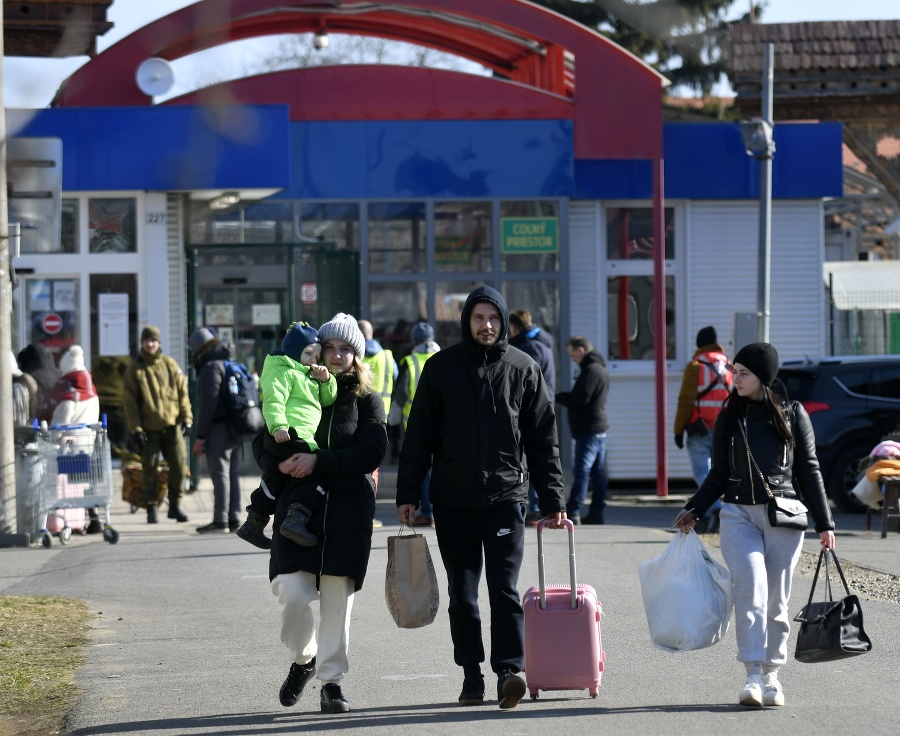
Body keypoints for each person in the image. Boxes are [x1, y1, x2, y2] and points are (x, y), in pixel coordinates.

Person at [396, 285, 566, 710]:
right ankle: (471, 673)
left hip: (506, 497)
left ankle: (509, 671)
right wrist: (408, 492)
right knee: (464, 595)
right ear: (466, 321)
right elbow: (419, 436)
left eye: (493, 318)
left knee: (504, 591)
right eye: (478, 318)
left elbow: (544, 439)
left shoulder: (523, 368)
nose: (486, 326)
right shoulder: (440, 368)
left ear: (504, 322)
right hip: (452, 501)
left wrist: (553, 498)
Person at [673, 342, 835, 709]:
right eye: (735, 371)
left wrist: (825, 522)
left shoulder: (793, 414)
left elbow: (809, 470)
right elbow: (718, 473)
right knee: (750, 590)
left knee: (777, 600)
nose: (735, 378)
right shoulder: (730, 414)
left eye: (743, 372)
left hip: (784, 516)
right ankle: (751, 676)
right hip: (738, 514)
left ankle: (772, 676)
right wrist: (694, 509)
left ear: (764, 376)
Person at [255, 313, 386, 715]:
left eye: (346, 349)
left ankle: (332, 682)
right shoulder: (295, 383)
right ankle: (303, 658)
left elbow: (371, 452)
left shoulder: (367, 399)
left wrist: (318, 462)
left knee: (336, 604)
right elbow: (261, 445)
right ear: (319, 350)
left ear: (356, 355)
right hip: (298, 512)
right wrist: (278, 465)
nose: (337, 355)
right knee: (291, 593)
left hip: (347, 512)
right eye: (330, 347)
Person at [238, 322, 337, 548]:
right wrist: (279, 426)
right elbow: (274, 400)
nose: (314, 359)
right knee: (316, 473)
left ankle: (254, 522)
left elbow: (327, 400)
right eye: (308, 353)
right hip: (289, 433)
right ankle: (296, 518)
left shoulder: (309, 374)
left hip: (298, 434)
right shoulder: (281, 370)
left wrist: (326, 381)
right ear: (294, 351)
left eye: (318, 355)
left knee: (277, 478)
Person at [123, 325, 193, 525]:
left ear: (159, 342)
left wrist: (187, 419)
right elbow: (130, 404)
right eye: (146, 340)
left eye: (153, 340)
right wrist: (136, 429)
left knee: (179, 467)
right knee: (149, 469)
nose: (150, 344)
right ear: (142, 343)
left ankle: (175, 506)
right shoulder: (135, 370)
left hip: (171, 427)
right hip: (148, 430)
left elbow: (182, 395)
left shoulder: (171, 365)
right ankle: (152, 507)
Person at [673, 326, 733, 534]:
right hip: (723, 428)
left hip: (700, 428)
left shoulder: (695, 366)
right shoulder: (729, 365)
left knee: (702, 473)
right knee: (717, 473)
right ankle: (715, 514)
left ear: (699, 344)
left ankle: (716, 510)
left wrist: (678, 430)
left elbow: (686, 401)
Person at [189, 327, 244, 535]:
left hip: (219, 427)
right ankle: (234, 517)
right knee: (232, 472)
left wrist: (200, 436)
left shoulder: (210, 366)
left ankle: (220, 520)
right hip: (235, 425)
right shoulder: (229, 361)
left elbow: (208, 405)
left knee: (220, 472)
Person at [45, 345, 104, 534]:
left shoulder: (69, 394)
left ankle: (68, 520)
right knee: (84, 482)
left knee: (68, 486)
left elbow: (59, 425)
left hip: (69, 447)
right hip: (87, 441)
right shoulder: (91, 390)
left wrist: (50, 438)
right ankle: (92, 517)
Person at [387, 321, 440, 527]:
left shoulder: (410, 361)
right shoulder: (444, 357)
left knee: (423, 471)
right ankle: (437, 511)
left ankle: (427, 512)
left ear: (414, 340)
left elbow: (401, 396)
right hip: (443, 427)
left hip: (416, 427)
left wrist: (392, 421)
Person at [508, 308, 556, 525]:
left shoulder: (529, 348)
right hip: (544, 404)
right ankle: (537, 507)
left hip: (533, 409)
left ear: (513, 327)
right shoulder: (542, 344)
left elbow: (526, 382)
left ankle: (536, 508)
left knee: (531, 458)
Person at [555, 336, 609, 525]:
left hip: (589, 429)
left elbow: (581, 399)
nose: (573, 359)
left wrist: (559, 398)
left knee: (582, 471)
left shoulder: (591, 370)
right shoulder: (599, 368)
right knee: (597, 473)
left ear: (581, 350)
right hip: (598, 427)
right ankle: (596, 511)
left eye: (573, 355)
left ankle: (574, 510)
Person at [17, 342, 61, 423]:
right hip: (59, 419)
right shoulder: (59, 373)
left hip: (41, 422)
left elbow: (37, 405)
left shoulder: (30, 377)